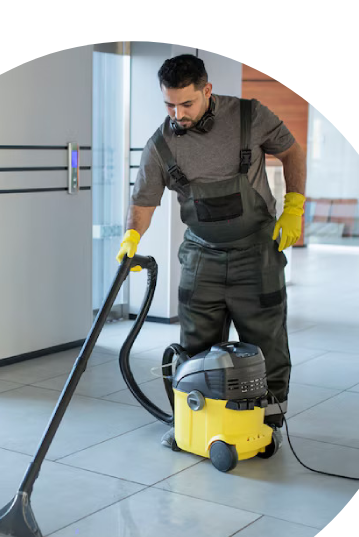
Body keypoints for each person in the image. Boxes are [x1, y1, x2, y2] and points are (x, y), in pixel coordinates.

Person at [118, 54, 306, 448]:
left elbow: (291, 151)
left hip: (256, 252)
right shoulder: (161, 143)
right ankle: (192, 422)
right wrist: (131, 238)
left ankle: (266, 427)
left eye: (186, 103)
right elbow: (144, 202)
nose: (177, 113)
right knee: (195, 346)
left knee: (266, 341)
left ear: (207, 90)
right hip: (201, 254)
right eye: (169, 104)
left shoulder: (248, 117)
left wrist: (294, 206)